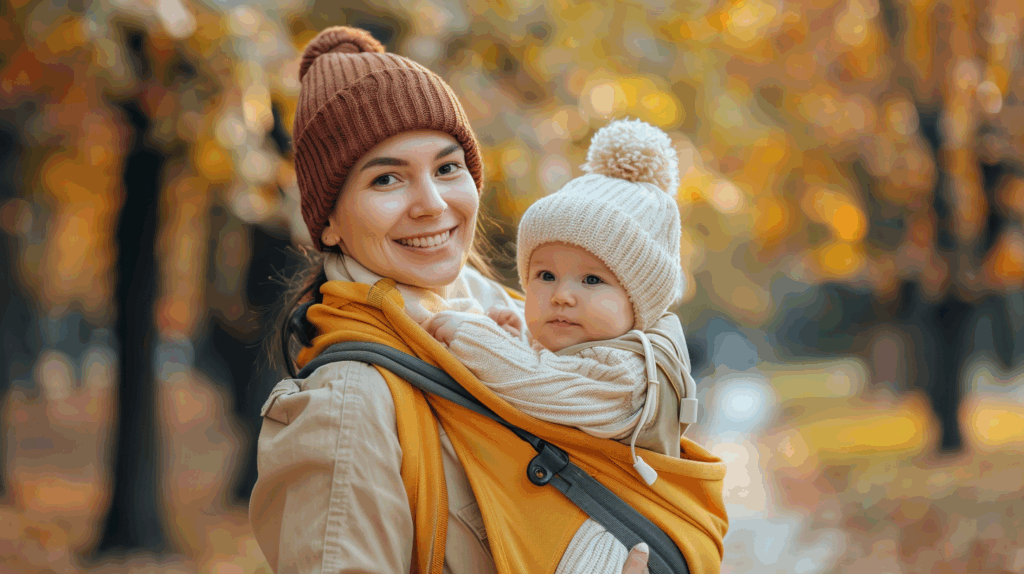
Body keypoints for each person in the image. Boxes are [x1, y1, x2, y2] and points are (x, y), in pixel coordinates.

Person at [249, 25, 727, 574]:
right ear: (328, 222)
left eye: (448, 168)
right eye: (386, 179)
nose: (432, 204)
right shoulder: (349, 406)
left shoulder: (516, 323)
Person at [418, 118, 702, 567]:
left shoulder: (631, 375)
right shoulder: (582, 349)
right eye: (545, 275)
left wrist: (481, 344)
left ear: (638, 303)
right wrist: (519, 338)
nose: (562, 294)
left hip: (615, 535)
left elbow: (551, 394)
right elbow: (548, 376)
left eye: (592, 279)